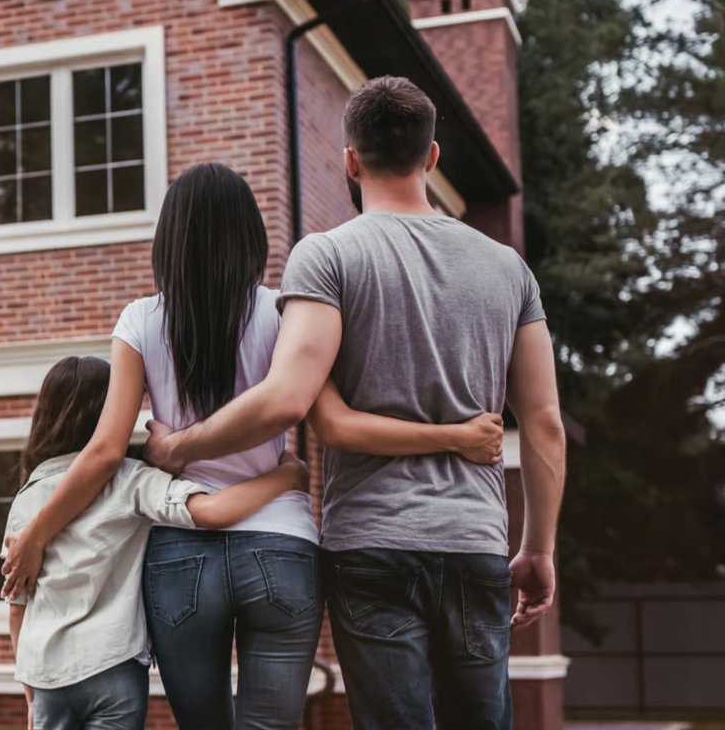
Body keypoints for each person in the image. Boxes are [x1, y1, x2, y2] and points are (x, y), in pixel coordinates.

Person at [2, 162, 507, 729]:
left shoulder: (140, 321)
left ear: (168, 238)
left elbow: (102, 453)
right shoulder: (285, 312)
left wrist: (36, 534)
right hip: (280, 545)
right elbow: (329, 417)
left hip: (181, 553)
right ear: (251, 236)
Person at [142, 77, 568, 730]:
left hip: (369, 545)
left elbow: (288, 400)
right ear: (431, 158)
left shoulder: (327, 256)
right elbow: (543, 424)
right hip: (473, 541)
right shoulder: (508, 268)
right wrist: (538, 547)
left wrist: (179, 445)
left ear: (349, 158)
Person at [7, 355, 309, 730]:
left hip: (45, 672)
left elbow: (18, 605)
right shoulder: (130, 480)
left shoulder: (26, 497)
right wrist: (288, 475)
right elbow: (211, 511)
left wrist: (28, 687)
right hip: (112, 666)